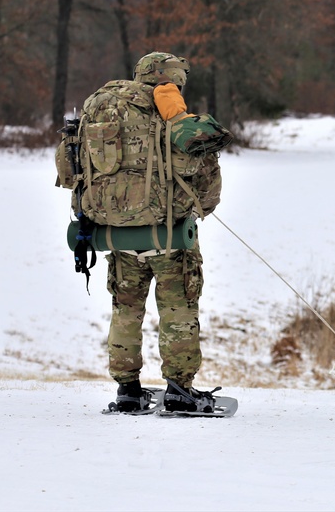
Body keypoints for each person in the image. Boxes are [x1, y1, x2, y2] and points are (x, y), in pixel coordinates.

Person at [94, 52, 225, 413]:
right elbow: (209, 188)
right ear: (173, 80)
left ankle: (128, 391)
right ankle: (180, 390)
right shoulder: (176, 118)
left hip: (117, 234)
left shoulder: (105, 112)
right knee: (178, 309)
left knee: (126, 309)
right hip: (168, 235)